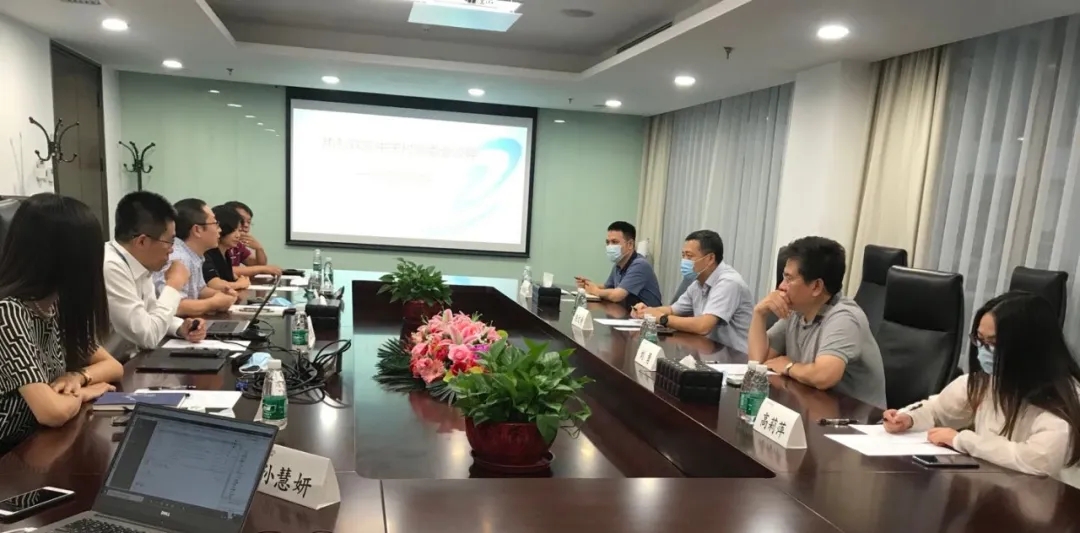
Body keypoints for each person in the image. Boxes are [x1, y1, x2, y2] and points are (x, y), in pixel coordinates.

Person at [883, 293, 1080, 485]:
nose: (983, 351)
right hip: (997, 490)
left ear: (1026, 349)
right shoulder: (988, 381)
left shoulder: (1064, 400)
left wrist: (963, 440)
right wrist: (908, 418)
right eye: (980, 340)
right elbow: (938, 410)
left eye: (992, 343)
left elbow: (1036, 461)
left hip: (1052, 500)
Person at [0, 194, 124, 452]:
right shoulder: (8, 312)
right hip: (9, 452)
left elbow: (113, 367)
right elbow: (52, 412)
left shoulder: (55, 305)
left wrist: (78, 377)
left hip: (38, 443)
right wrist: (85, 392)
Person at [749, 236, 886, 408]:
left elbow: (824, 377)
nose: (781, 286)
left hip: (857, 418)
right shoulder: (797, 312)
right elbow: (758, 362)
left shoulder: (844, 318)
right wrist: (759, 314)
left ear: (816, 287)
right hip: (816, 408)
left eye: (789, 279)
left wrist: (789, 366)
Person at [105, 192, 208, 349]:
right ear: (142, 241)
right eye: (170, 241)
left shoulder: (139, 262)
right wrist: (174, 284)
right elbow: (147, 336)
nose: (172, 250)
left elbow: (151, 315)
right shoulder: (110, 267)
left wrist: (181, 327)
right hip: (115, 362)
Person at [631, 230, 753, 353]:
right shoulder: (698, 283)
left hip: (735, 357)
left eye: (689, 256)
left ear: (710, 258)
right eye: (683, 255)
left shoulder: (728, 282)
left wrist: (662, 318)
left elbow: (703, 326)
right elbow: (673, 310)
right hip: (709, 351)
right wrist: (646, 311)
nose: (684, 261)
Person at [152, 198, 237, 316]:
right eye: (215, 223)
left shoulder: (193, 254)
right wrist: (213, 303)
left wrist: (220, 295)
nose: (220, 230)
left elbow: (199, 289)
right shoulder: (178, 257)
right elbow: (174, 306)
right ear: (197, 230)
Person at [576, 221, 662, 308]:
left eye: (614, 242)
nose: (610, 246)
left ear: (630, 244)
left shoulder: (640, 265)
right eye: (607, 242)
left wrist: (595, 291)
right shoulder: (619, 264)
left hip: (647, 315)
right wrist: (587, 285)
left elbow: (616, 296)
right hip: (628, 312)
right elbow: (607, 287)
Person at [223, 201, 282, 277]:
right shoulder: (217, 243)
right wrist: (261, 269)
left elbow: (258, 264)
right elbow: (222, 270)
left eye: (249, 222)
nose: (246, 225)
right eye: (241, 221)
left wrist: (259, 248)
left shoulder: (238, 245)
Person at [203, 205, 251, 292]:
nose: (238, 235)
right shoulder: (207, 253)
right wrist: (240, 284)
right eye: (233, 230)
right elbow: (215, 284)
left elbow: (232, 278)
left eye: (239, 230)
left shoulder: (225, 253)